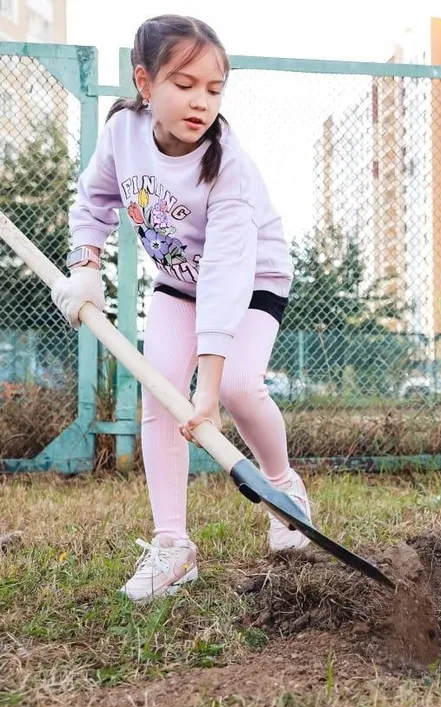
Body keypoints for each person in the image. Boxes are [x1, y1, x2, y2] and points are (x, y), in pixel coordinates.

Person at [51, 15, 311, 602]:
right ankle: (174, 546)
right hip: (176, 283)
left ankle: (282, 488)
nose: (201, 102)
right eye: (184, 85)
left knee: (243, 386)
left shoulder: (227, 167)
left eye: (214, 90)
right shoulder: (123, 132)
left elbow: (224, 277)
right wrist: (85, 269)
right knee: (160, 393)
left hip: (250, 280)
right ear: (145, 83)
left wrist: (210, 390)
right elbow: (93, 201)